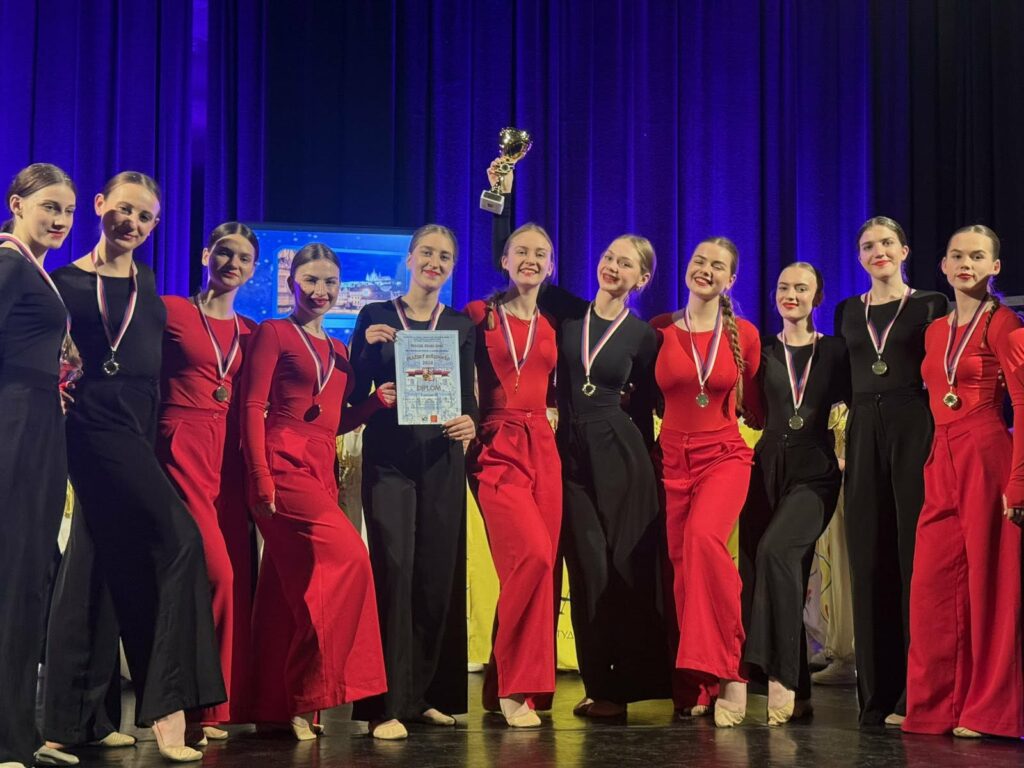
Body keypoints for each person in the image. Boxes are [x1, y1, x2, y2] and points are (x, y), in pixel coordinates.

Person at [44, 171, 225, 763]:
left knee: (96, 561)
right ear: (99, 206)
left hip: (138, 429)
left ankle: (75, 720)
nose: (132, 223)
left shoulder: (148, 284)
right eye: (124, 210)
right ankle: (168, 709)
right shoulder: (64, 283)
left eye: (145, 217)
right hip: (92, 429)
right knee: (179, 541)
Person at [487, 165, 671, 718]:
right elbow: (515, 260)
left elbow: (650, 407)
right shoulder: (565, 312)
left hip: (624, 458)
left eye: (626, 263)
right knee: (587, 564)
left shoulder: (644, 338)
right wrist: (501, 196)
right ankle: (596, 682)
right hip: (568, 455)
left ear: (641, 279)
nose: (613, 267)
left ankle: (623, 688)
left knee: (625, 566)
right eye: (609, 257)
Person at [240, 242, 391, 738]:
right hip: (282, 464)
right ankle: (308, 696)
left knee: (287, 588)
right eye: (311, 280)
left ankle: (272, 705)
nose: (320, 290)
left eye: (329, 282)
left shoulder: (339, 351)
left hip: (322, 466)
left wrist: (374, 404)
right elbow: (251, 407)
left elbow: (334, 422)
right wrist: (259, 476)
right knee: (351, 558)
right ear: (291, 284)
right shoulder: (273, 332)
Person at [348, 225, 478, 739]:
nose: (434, 262)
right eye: (426, 252)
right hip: (390, 460)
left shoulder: (461, 324)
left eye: (444, 256)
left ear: (452, 266)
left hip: (442, 456)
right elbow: (352, 390)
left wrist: (471, 422)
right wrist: (365, 352)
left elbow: (468, 396)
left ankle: (425, 696)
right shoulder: (375, 315)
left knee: (435, 574)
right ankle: (384, 704)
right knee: (394, 570)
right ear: (408, 258)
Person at [902, 225, 1024, 739]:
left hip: (986, 453)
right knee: (933, 585)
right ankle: (937, 707)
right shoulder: (936, 330)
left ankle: (991, 711)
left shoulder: (1005, 323)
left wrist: (1019, 482)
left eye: (977, 256)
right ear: (943, 266)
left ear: (995, 267)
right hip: (942, 455)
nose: (965, 264)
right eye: (957, 255)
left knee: (991, 584)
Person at [833, 216, 947, 727]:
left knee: (912, 556)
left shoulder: (930, 304)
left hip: (912, 425)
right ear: (859, 256)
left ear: (904, 250)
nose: (877, 251)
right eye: (867, 246)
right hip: (863, 430)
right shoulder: (846, 311)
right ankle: (875, 695)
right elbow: (838, 379)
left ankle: (915, 693)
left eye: (886, 243)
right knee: (868, 556)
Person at [155, 223, 260, 740]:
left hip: (227, 460)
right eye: (224, 252)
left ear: (254, 269)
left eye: (243, 257)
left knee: (229, 576)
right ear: (205, 256)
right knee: (218, 575)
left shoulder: (251, 331)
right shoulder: (173, 310)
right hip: (179, 448)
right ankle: (189, 702)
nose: (232, 263)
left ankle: (211, 707)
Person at [650, 237, 760, 728]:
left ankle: (732, 671)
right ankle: (696, 682)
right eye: (699, 261)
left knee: (703, 542)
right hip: (672, 460)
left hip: (724, 457)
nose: (705, 270)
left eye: (718, 266)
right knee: (682, 570)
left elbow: (758, 404)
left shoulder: (745, 335)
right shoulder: (658, 330)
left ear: (730, 280)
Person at [737, 262, 850, 725]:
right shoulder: (763, 350)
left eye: (801, 288)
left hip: (814, 471)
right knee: (767, 568)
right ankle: (799, 692)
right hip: (765, 468)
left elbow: (862, 403)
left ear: (817, 297)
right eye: (784, 287)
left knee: (777, 552)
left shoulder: (835, 351)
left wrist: (850, 458)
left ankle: (779, 678)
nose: (791, 294)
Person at [465, 223, 561, 728]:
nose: (530, 259)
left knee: (542, 570)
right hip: (496, 444)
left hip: (543, 447)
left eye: (540, 253)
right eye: (520, 251)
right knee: (532, 556)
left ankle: (509, 681)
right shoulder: (479, 315)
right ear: (503, 260)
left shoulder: (552, 324)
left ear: (551, 265)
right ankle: (514, 687)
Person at [0, 163, 76, 768]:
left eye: (68, 211)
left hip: (40, 425)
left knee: (29, 581)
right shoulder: (8, 263)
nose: (60, 219)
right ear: (17, 203)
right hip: (17, 430)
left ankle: (20, 736)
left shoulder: (34, 270)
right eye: (49, 206)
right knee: (12, 581)